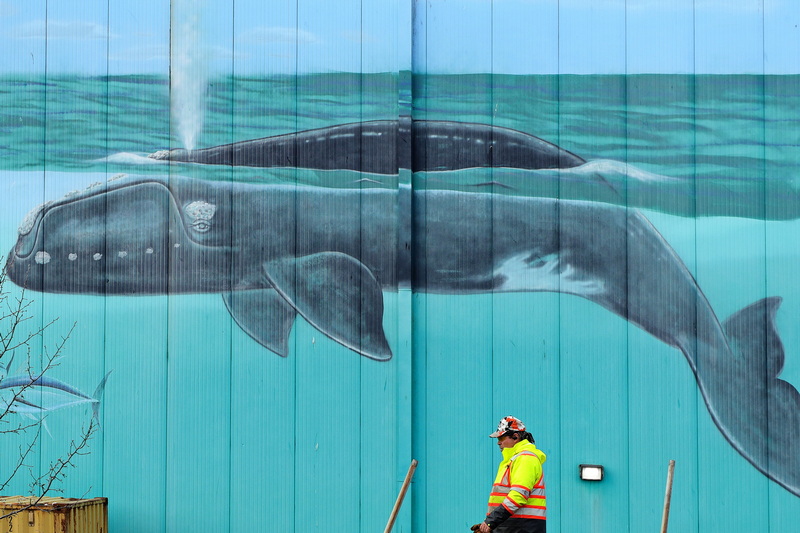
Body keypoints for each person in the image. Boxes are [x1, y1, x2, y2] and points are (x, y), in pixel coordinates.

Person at [472, 416, 547, 533]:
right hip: (516, 526)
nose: (498, 442)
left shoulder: (525, 459)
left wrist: (491, 521)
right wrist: (490, 524)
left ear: (515, 437)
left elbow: (518, 496)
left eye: (501, 437)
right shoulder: (513, 460)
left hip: (521, 527)